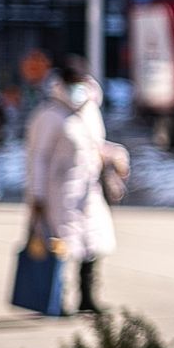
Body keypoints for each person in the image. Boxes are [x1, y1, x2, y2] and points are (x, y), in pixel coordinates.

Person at [24, 63, 115, 313]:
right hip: (59, 194)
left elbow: (96, 146)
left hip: (88, 191)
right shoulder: (49, 115)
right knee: (61, 246)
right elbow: (38, 158)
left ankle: (87, 297)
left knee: (93, 243)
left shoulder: (90, 112)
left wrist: (115, 156)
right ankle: (55, 298)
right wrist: (38, 195)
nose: (78, 87)